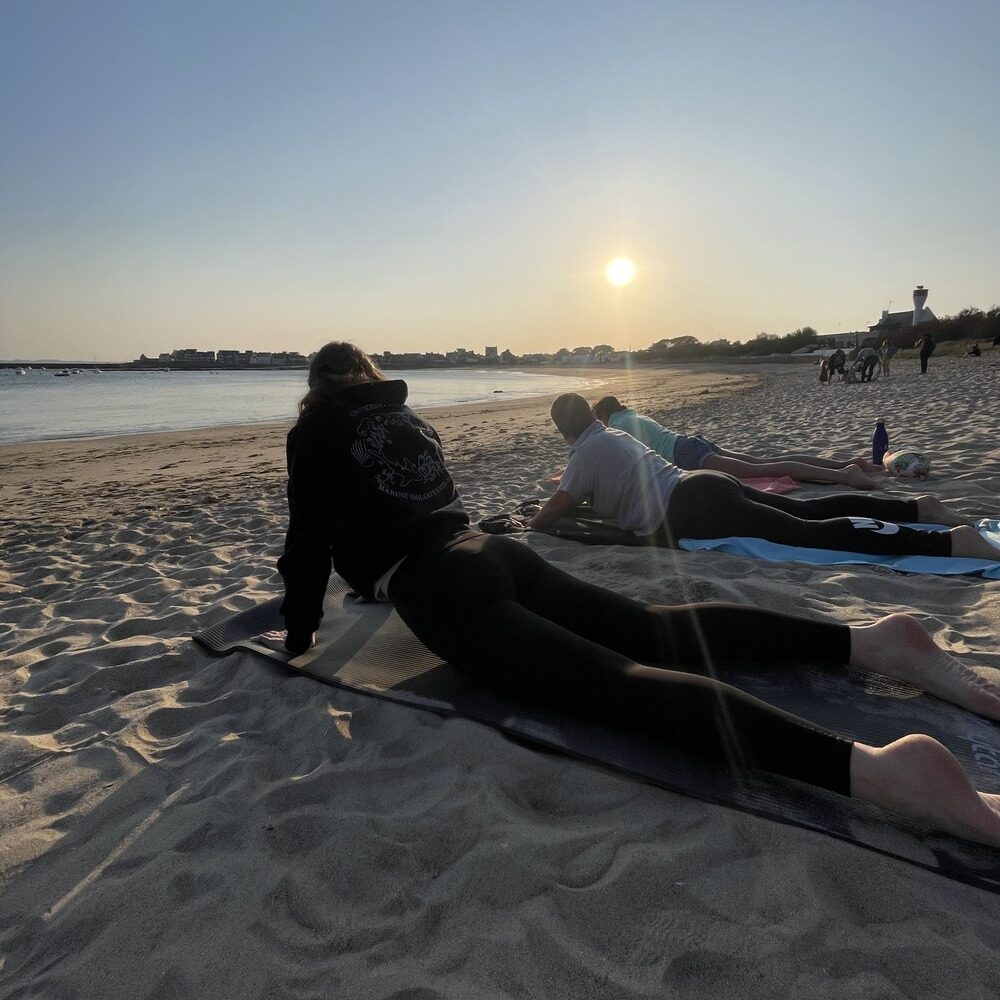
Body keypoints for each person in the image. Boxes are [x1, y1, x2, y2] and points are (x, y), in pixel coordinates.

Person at [272, 343, 1000, 849]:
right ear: (368, 376)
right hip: (493, 551)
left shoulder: (317, 430)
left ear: (317, 388)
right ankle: (869, 643)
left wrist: (300, 633)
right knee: (652, 626)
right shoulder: (410, 418)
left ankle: (877, 771)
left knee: (612, 682)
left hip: (440, 584)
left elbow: (307, 548)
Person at [534, 394, 999, 560]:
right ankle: (919, 510)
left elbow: (552, 512)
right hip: (700, 484)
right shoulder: (612, 436)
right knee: (811, 510)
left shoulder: (585, 451)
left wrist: (537, 515)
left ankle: (950, 543)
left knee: (808, 532)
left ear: (563, 429)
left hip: (693, 507)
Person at [593, 397, 881, 486]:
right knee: (763, 462)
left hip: (688, 455)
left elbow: (626, 458)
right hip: (692, 444)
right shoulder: (632, 415)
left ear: (604, 414)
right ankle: (847, 463)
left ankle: (842, 475)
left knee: (762, 469)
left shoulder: (617, 425)